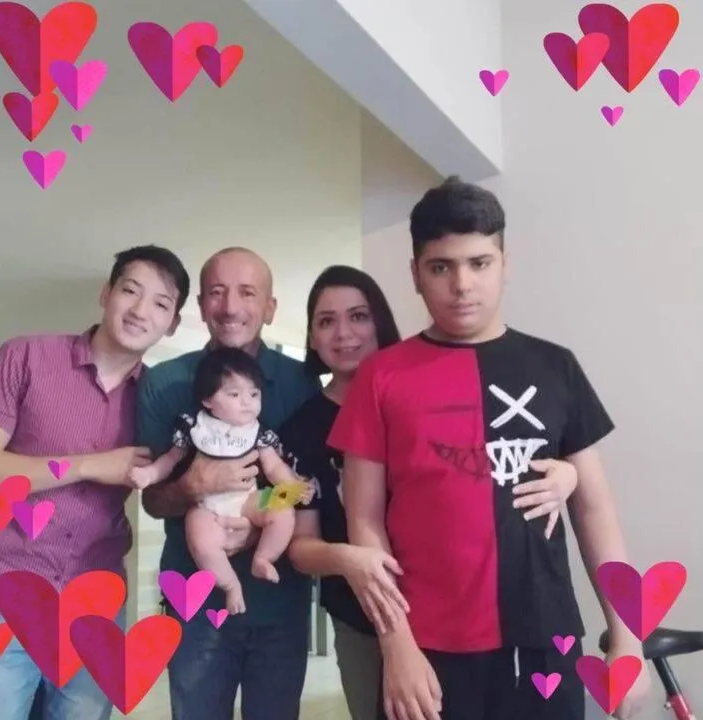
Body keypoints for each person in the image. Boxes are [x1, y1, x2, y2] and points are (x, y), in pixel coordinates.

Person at [327, 177, 652, 720]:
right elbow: (365, 524)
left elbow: (595, 510)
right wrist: (396, 644)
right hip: (426, 648)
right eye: (441, 267)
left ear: (505, 264)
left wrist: (629, 639)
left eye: (479, 263)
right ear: (415, 274)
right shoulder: (381, 377)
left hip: (545, 637)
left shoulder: (555, 366)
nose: (462, 284)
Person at [280, 264, 581, 720]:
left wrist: (568, 473)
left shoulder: (424, 387)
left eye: (358, 316)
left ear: (380, 321)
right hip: (361, 617)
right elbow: (298, 543)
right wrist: (346, 558)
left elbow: (486, 465)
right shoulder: (299, 430)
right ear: (311, 337)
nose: (343, 334)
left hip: (442, 618)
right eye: (326, 321)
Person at [0, 245, 190, 720]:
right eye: (130, 290)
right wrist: (91, 465)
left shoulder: (160, 399)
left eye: (161, 303)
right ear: (106, 293)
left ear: (172, 323)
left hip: (95, 603)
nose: (140, 310)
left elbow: (173, 487)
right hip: (2, 594)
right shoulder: (26, 356)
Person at [136, 247, 320, 720]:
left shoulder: (301, 383)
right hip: (195, 596)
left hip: (280, 598)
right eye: (217, 293)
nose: (231, 306)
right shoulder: (165, 383)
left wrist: (259, 522)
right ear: (201, 306)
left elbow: (304, 487)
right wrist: (192, 487)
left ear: (270, 308)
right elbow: (153, 501)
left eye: (247, 293)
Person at [131, 346, 315, 613]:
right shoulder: (195, 428)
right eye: (234, 394)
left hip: (249, 500)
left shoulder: (257, 432)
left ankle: (264, 558)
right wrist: (148, 474)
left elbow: (274, 466)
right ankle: (230, 585)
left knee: (282, 508)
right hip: (207, 507)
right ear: (207, 400)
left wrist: (294, 486)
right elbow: (169, 460)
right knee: (200, 536)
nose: (247, 402)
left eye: (254, 394)